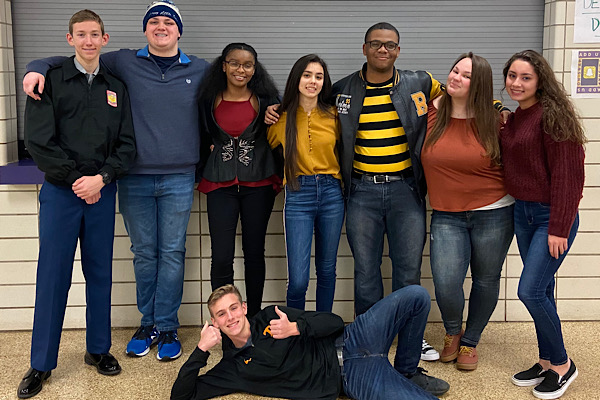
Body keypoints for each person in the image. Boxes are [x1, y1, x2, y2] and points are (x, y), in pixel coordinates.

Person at [22, 0, 210, 361]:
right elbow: (72, 59)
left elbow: (239, 83)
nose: (161, 27)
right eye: (153, 21)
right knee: (143, 254)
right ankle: (147, 324)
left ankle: (166, 327)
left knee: (170, 253)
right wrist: (34, 66)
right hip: (132, 178)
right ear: (144, 30)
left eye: (168, 22)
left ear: (179, 30)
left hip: (176, 177)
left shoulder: (200, 70)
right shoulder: (122, 61)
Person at [17, 10, 136, 399]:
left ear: (105, 38)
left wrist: (101, 179)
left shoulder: (116, 85)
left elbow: (127, 146)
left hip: (101, 193)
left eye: (94, 35)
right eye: (80, 35)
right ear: (69, 40)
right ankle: (41, 364)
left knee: (100, 273)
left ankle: (98, 349)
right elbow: (38, 141)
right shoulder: (49, 81)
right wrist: (76, 181)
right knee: (53, 276)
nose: (88, 41)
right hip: (60, 194)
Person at [171, 284, 450, 400]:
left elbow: (334, 322)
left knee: (416, 295)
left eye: (233, 308)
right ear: (215, 323)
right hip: (351, 378)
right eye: (221, 314)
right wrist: (200, 350)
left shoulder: (270, 316)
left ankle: (406, 371)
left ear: (244, 308)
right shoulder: (232, 369)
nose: (229, 317)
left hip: (354, 337)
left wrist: (296, 327)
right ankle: (397, 380)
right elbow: (181, 396)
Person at [420, 53, 514, 371]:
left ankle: (471, 341)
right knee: (446, 281)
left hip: (494, 211)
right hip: (446, 213)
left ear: (480, 84)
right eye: (454, 70)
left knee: (486, 280)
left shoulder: (497, 119)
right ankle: (452, 332)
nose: (456, 77)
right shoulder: (431, 112)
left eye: (466, 75)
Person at [500, 50, 585, 400]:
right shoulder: (518, 116)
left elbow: (569, 178)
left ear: (540, 81)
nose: (517, 83)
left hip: (552, 217)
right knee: (544, 290)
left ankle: (564, 365)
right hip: (524, 213)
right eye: (512, 76)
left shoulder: (552, 117)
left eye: (526, 78)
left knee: (530, 291)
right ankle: (546, 360)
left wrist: (560, 228)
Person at [198, 43, 280, 317]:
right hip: (219, 184)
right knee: (221, 256)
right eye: (234, 63)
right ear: (223, 65)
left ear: (255, 69)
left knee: (254, 252)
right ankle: (225, 318)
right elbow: (199, 134)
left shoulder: (267, 100)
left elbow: (280, 137)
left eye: (247, 65)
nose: (240, 70)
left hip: (258, 184)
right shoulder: (208, 99)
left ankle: (253, 317)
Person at [267, 54, 344, 312]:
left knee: (327, 270)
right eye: (307, 75)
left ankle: (323, 332)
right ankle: (295, 331)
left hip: (332, 192)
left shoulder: (334, 116)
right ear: (296, 79)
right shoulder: (280, 118)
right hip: (299, 194)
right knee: (298, 279)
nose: (313, 81)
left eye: (319, 76)